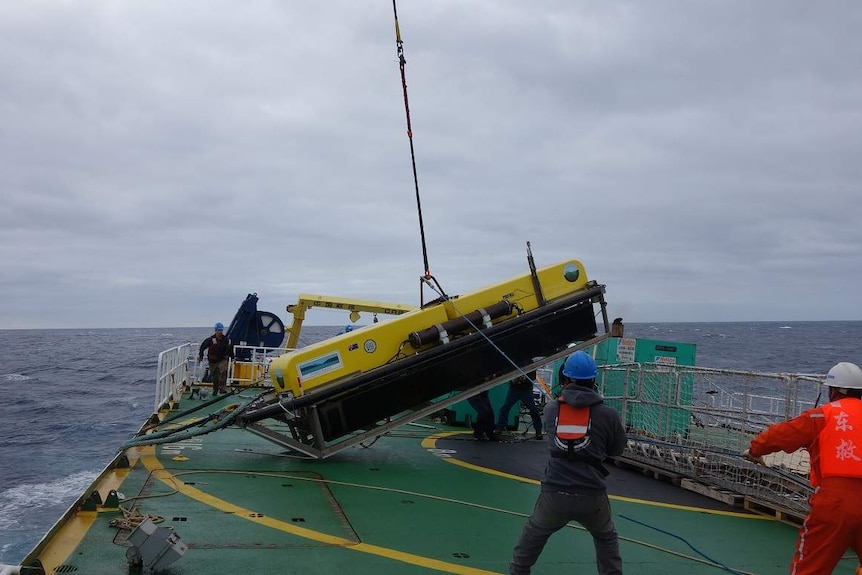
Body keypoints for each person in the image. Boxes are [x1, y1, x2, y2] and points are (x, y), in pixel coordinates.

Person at [509, 350, 626, 575]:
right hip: (592, 494)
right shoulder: (608, 414)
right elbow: (616, 449)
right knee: (606, 538)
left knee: (533, 535)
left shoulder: (552, 409)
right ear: (593, 379)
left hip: (555, 493)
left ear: (564, 377)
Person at [743, 362, 862, 575]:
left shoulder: (821, 416)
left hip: (835, 503)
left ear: (832, 391)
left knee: (810, 567)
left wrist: (754, 449)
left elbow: (780, 434)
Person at [496, 371, 543, 440]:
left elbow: (533, 377)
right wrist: (512, 379)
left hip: (526, 390)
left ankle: (538, 431)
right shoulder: (515, 363)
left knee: (533, 409)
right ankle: (500, 428)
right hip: (515, 389)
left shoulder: (529, 362)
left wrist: (523, 378)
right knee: (505, 407)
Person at [198, 322, 234, 394]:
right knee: (215, 376)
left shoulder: (226, 340)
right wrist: (201, 356)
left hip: (222, 359)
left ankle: (222, 389)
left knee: (223, 372)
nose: (220, 332)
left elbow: (230, 349)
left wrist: (233, 357)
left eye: (221, 330)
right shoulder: (210, 340)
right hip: (213, 361)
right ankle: (215, 389)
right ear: (215, 330)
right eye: (218, 330)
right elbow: (202, 347)